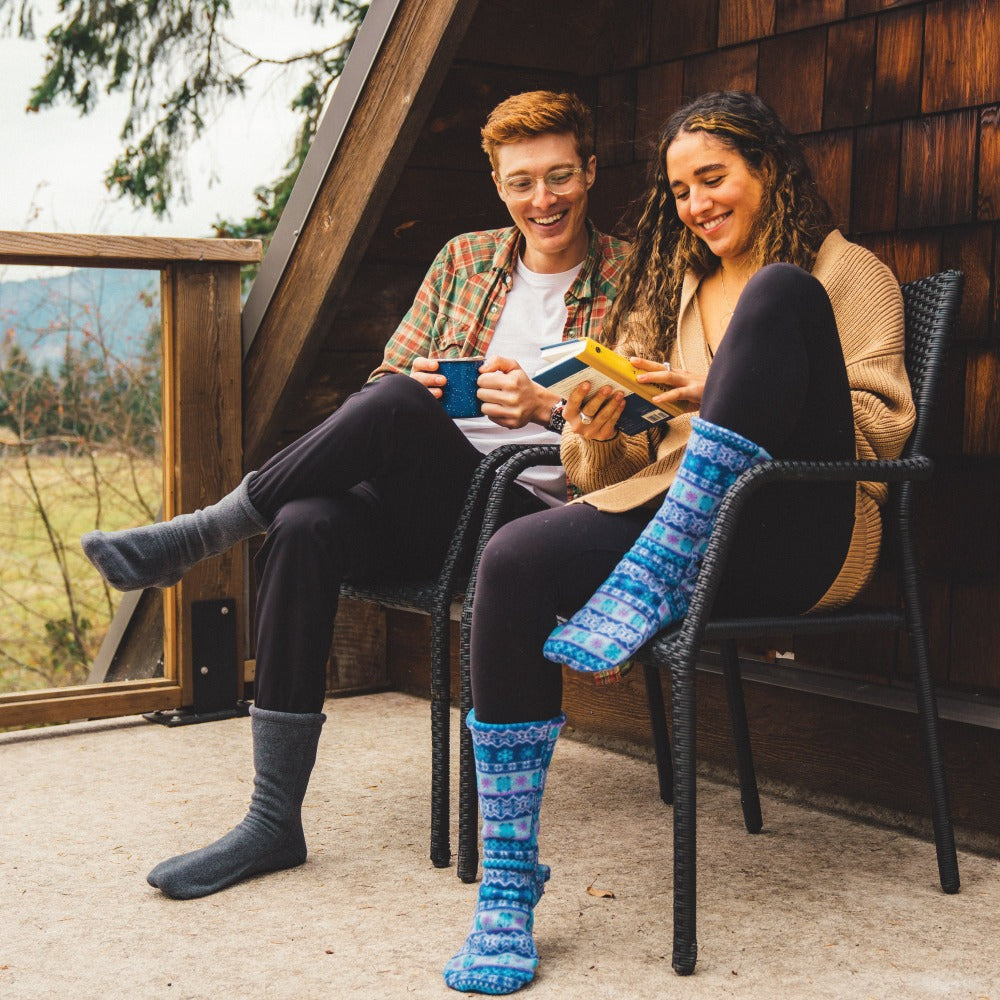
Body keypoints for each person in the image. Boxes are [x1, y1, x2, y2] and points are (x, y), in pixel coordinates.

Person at [80, 90, 627, 900]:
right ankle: (273, 819)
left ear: (589, 170)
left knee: (396, 410)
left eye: (558, 178)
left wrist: (546, 406)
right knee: (303, 523)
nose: (540, 200)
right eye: (520, 183)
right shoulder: (464, 261)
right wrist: (429, 386)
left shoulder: (637, 276)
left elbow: (646, 433)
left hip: (532, 523)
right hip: (431, 502)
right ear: (497, 183)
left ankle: (205, 532)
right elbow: (385, 387)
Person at [442, 90, 915, 995]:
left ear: (766, 170)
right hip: (677, 512)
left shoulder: (842, 272)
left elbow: (884, 426)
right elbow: (602, 464)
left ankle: (665, 562)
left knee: (780, 294)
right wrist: (601, 417)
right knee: (511, 560)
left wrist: (727, 399)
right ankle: (507, 881)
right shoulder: (678, 287)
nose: (697, 204)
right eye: (681, 190)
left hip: (795, 526)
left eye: (714, 178)